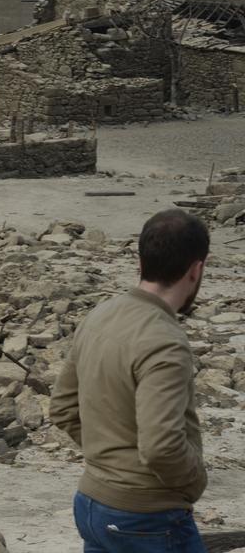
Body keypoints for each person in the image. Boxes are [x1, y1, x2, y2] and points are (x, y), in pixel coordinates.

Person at [50, 209, 209, 553]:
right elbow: (161, 446)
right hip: (146, 517)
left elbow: (63, 408)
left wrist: (107, 457)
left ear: (140, 261)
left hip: (92, 502)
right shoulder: (165, 340)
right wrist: (194, 481)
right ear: (196, 270)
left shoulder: (99, 316)